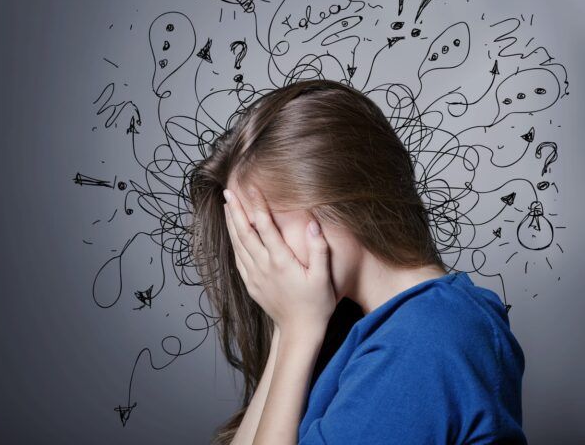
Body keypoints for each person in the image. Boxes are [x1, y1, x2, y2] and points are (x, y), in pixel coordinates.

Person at [187, 79, 526, 444]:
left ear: (334, 202)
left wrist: (298, 330)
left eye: (262, 231)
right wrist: (290, 330)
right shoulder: (387, 330)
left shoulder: (426, 339)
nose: (257, 260)